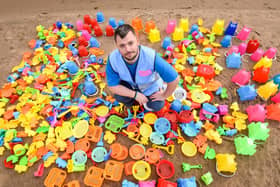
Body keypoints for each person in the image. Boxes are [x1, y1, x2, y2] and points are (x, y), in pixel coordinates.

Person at [106, 24, 179, 111]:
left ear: (137, 41)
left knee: (157, 105)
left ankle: (143, 102)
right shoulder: (112, 59)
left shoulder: (151, 57)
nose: (128, 49)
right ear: (117, 46)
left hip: (150, 87)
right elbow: (112, 86)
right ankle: (132, 103)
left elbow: (174, 79)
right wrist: (135, 95)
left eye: (130, 43)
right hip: (129, 86)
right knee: (119, 96)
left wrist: (164, 95)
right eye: (122, 46)